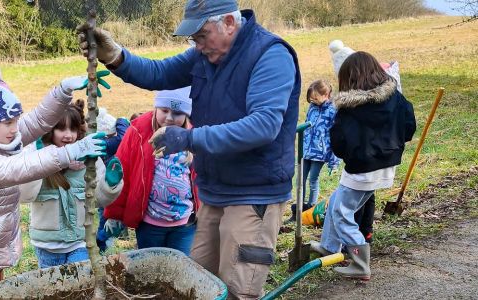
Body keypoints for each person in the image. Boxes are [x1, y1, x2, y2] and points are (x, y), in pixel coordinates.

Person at [79, 0, 300, 297]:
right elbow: (158, 73)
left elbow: (263, 125)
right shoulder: (205, 55)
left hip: (254, 194)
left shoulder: (270, 56)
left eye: (201, 35)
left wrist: (189, 139)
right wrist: (116, 57)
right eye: (193, 38)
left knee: (238, 289)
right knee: (196, 284)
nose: (196, 45)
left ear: (229, 23)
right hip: (214, 191)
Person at [0, 64, 108, 299]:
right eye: (9, 123)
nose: (16, 129)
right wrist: (68, 153)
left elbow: (36, 121)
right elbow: (8, 170)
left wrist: (62, 91)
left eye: (16, 120)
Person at [310, 51, 416, 281]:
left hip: (361, 170)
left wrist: (352, 155)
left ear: (350, 79)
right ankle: (329, 246)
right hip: (387, 165)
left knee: (340, 212)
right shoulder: (395, 97)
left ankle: (360, 261)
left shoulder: (350, 108)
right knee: (338, 200)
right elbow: (409, 126)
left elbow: (339, 143)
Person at [19, 100, 124, 268]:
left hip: (80, 242)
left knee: (79, 286)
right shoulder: (37, 156)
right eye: (61, 128)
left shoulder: (89, 159)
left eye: (73, 129)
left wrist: (110, 185)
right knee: (52, 290)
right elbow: (25, 195)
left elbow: (98, 200)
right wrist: (38, 161)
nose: (68, 135)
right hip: (47, 246)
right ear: (50, 130)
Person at [103, 87, 199, 255]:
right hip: (150, 223)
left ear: (186, 114)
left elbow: (204, 176)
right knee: (150, 270)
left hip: (185, 224)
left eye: (177, 113)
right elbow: (122, 170)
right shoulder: (139, 131)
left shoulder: (194, 135)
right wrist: (114, 213)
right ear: (156, 108)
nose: (169, 118)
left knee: (180, 269)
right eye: (164, 110)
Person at [286, 79, 339, 223]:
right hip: (306, 149)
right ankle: (298, 210)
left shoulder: (333, 110)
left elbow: (336, 134)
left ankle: (310, 209)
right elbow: (307, 124)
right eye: (311, 98)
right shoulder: (312, 107)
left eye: (316, 98)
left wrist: (334, 161)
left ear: (326, 94)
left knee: (313, 179)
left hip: (320, 153)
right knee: (300, 179)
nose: (313, 100)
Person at [94, 107, 131, 252]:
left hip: (108, 190)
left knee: (107, 220)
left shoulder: (102, 142)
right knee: (111, 221)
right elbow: (123, 137)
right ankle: (101, 241)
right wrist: (121, 120)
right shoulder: (110, 144)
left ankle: (101, 242)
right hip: (110, 191)